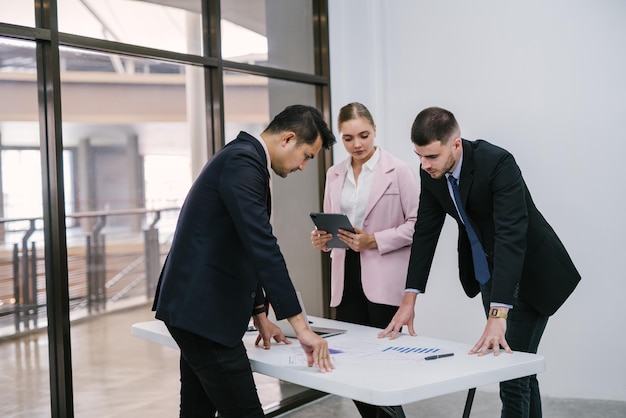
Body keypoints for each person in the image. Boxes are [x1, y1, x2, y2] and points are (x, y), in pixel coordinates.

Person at [379, 106, 581, 418]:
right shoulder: (430, 172)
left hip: (531, 273)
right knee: (520, 370)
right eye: (419, 155)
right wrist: (410, 298)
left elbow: (511, 237)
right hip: (488, 274)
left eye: (431, 156)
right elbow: (425, 232)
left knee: (509, 373)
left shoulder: (497, 163)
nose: (424, 164)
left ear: (455, 144)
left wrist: (499, 312)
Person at [152, 104, 337, 418]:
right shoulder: (242, 161)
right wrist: (301, 328)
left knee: (196, 411)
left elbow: (240, 244)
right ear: (288, 139)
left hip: (197, 311)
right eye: (307, 156)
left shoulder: (245, 159)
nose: (304, 167)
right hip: (203, 316)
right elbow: (261, 245)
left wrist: (258, 311)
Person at [311, 102, 419, 418]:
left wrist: (375, 240)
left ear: (375, 131)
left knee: (383, 366)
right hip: (346, 278)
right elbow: (332, 222)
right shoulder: (334, 174)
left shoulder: (399, 171)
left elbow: (418, 225)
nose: (357, 144)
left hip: (385, 279)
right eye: (348, 138)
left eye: (363, 135)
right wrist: (322, 239)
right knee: (353, 364)